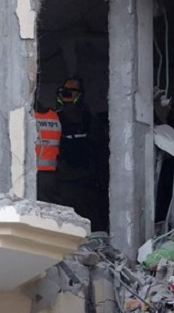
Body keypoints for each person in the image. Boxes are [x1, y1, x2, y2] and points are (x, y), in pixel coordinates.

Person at [50, 77, 108, 232]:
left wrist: (100, 182)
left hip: (87, 186)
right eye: (63, 91)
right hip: (61, 185)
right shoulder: (54, 119)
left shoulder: (90, 121)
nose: (66, 94)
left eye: (71, 91)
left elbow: (101, 154)